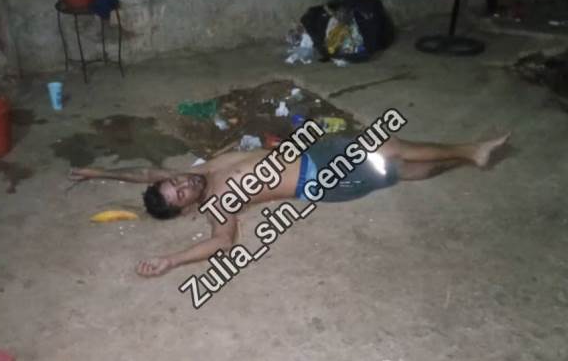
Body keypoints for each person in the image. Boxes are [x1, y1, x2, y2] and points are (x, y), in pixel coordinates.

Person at [69, 127, 509, 277]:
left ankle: (462, 159)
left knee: (404, 166)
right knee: (392, 152)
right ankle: (470, 151)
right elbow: (221, 243)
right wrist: (171, 260)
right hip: (324, 178)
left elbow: (148, 173)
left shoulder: (201, 171)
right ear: (185, 208)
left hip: (318, 151)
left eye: (176, 182)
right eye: (180, 193)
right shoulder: (218, 203)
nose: (183, 182)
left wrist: (98, 172)